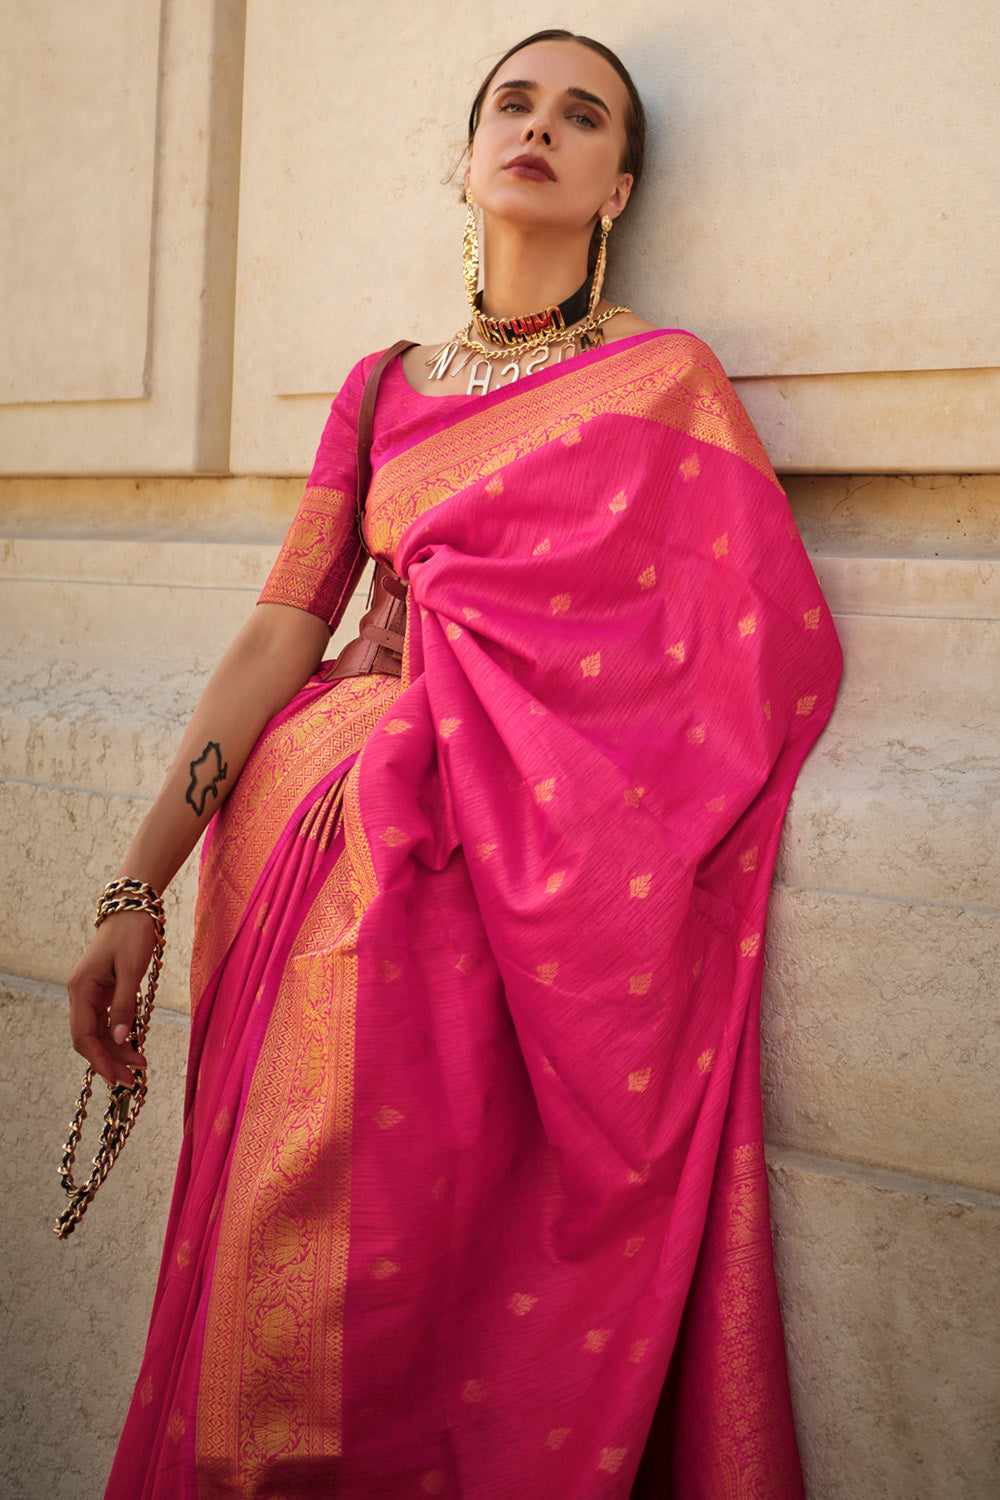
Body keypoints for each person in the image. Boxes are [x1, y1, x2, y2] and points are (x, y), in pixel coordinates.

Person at [68, 29, 842, 1499]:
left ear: (618, 188)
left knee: (415, 1290)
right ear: (466, 155)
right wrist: (135, 886)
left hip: (510, 916)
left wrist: (479, 712)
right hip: (307, 892)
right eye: (514, 103)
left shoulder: (661, 385)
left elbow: (758, 655)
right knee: (270, 1285)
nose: (541, 128)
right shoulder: (377, 391)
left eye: (585, 116)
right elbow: (276, 637)